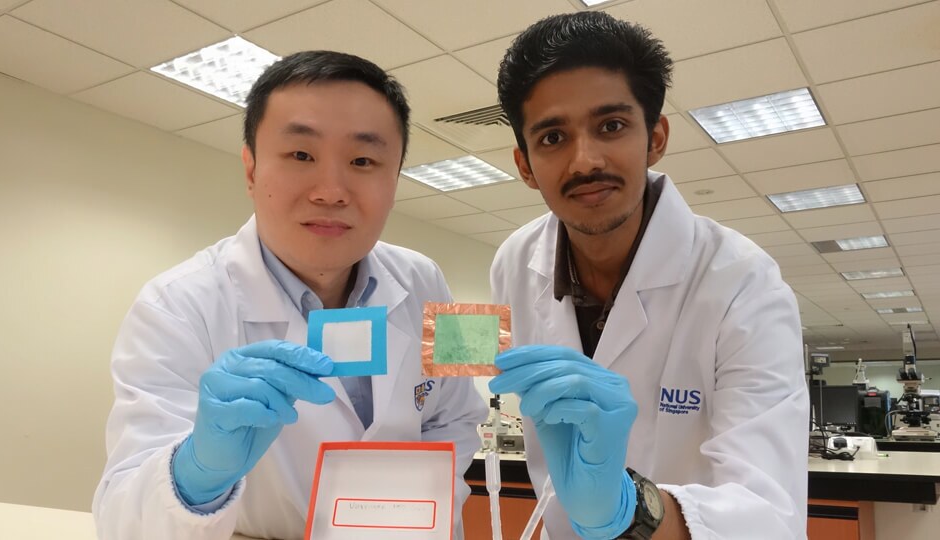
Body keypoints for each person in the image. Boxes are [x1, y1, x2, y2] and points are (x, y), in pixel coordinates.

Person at [92, 50, 487, 540]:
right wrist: (196, 476)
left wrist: (420, 505)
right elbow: (122, 519)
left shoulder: (427, 278)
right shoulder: (173, 305)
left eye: (364, 160)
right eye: (301, 155)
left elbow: (461, 413)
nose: (330, 191)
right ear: (251, 169)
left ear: (395, 179)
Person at [488, 12, 808, 540]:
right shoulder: (514, 261)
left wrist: (626, 509)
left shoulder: (742, 282)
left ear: (655, 136)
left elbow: (769, 513)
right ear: (524, 165)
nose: (584, 161)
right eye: (552, 137)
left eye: (611, 126)